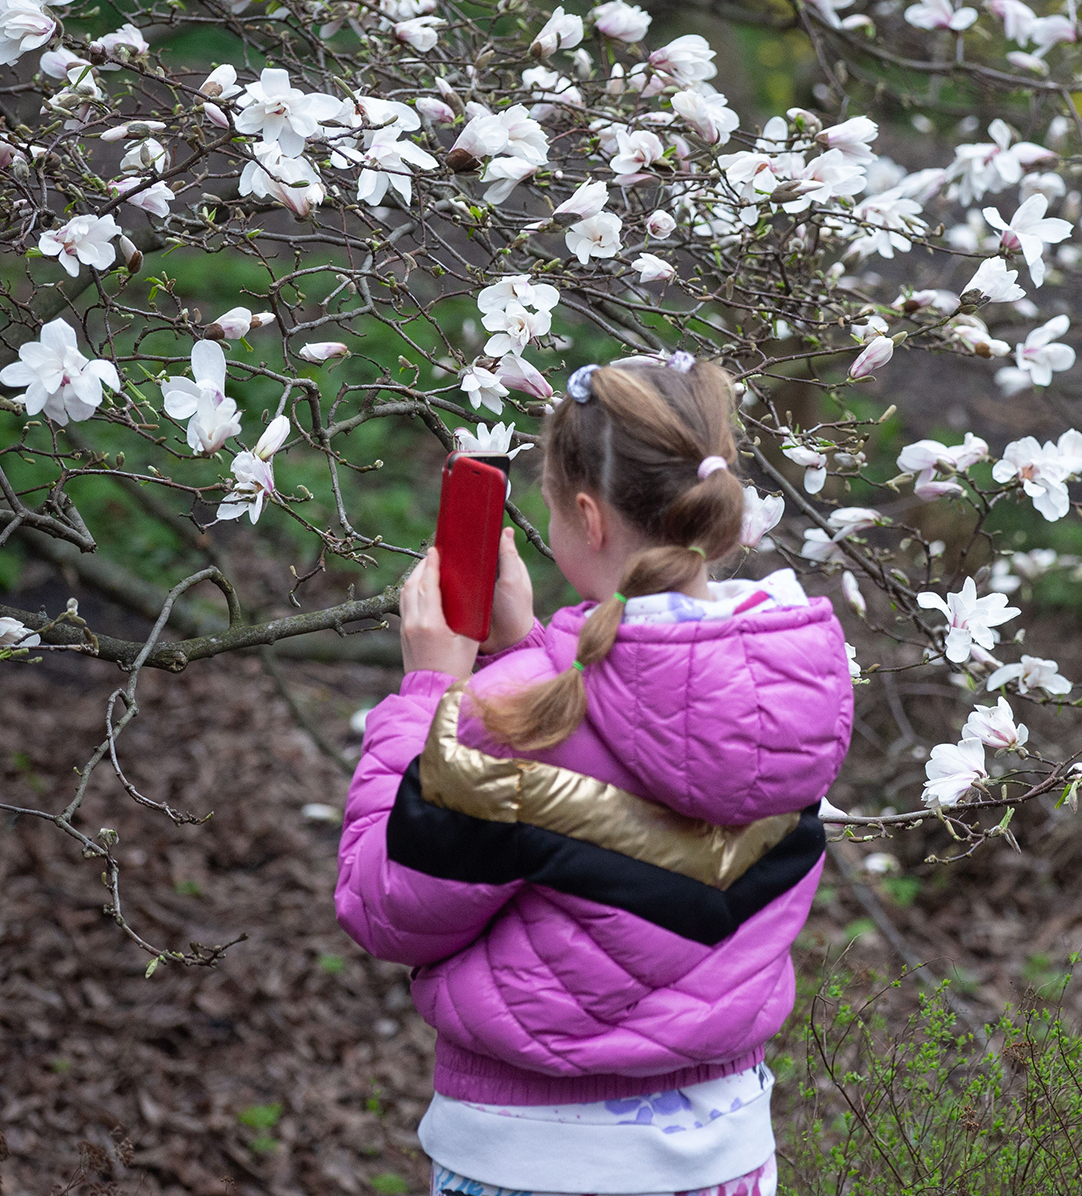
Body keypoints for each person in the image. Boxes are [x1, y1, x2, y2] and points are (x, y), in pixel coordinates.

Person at [335, 356, 854, 1196]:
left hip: (534, 1163)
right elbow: (648, 724)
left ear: (587, 514)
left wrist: (428, 688)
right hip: (727, 1160)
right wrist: (536, 647)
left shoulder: (509, 720)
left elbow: (383, 905)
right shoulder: (793, 681)